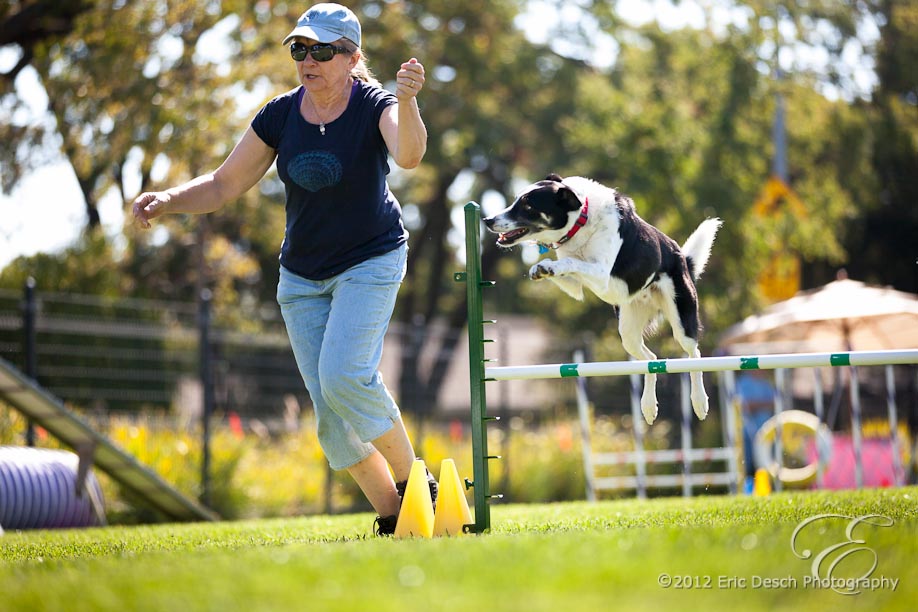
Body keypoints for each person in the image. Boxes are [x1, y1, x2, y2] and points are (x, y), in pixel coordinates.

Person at [132, 3, 433, 535]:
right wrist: (168, 199)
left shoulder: (374, 104)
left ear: (352, 57)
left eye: (321, 50)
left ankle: (417, 483)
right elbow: (225, 184)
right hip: (301, 279)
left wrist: (408, 103)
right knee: (331, 419)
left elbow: (408, 155)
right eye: (300, 48)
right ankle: (394, 517)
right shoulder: (281, 113)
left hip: (370, 260)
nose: (307, 60)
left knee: (344, 376)